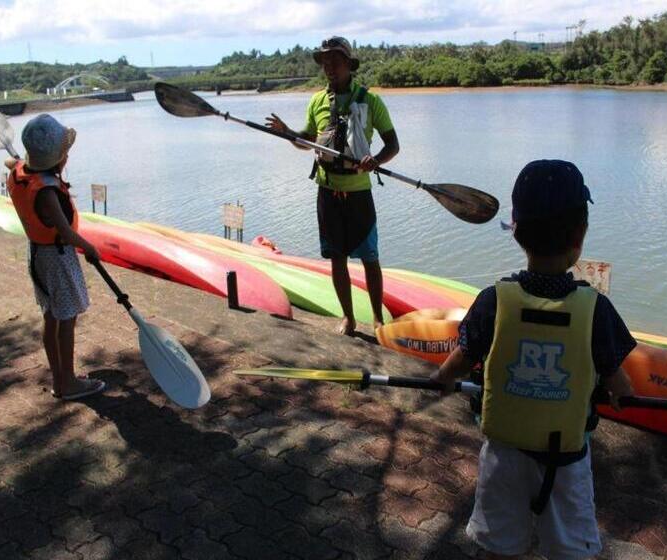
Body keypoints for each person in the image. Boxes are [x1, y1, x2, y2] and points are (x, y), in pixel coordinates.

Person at [431, 160, 636, 559]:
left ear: (517, 232)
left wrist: (442, 378)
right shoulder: (596, 310)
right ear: (581, 235)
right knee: (571, 550)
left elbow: (458, 361)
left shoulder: (494, 300)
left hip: (503, 456)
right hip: (567, 463)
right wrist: (618, 395)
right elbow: (622, 388)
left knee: (499, 545)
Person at [266, 36, 399, 335]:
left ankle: (377, 319)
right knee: (336, 257)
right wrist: (287, 132)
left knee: (370, 257)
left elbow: (393, 144)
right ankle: (349, 318)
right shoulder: (316, 101)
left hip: (359, 192)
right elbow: (306, 140)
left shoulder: (371, 100)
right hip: (327, 191)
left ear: (349, 66)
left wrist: (375, 160)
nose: (329, 68)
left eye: (335, 63)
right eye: (325, 63)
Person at [4, 114, 105, 400]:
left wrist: (25, 163)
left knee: (51, 316)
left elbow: (11, 163)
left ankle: (60, 378)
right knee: (67, 318)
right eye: (65, 152)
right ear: (59, 158)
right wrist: (90, 248)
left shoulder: (20, 172)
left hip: (36, 254)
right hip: (57, 258)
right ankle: (68, 382)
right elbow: (65, 231)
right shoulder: (47, 192)